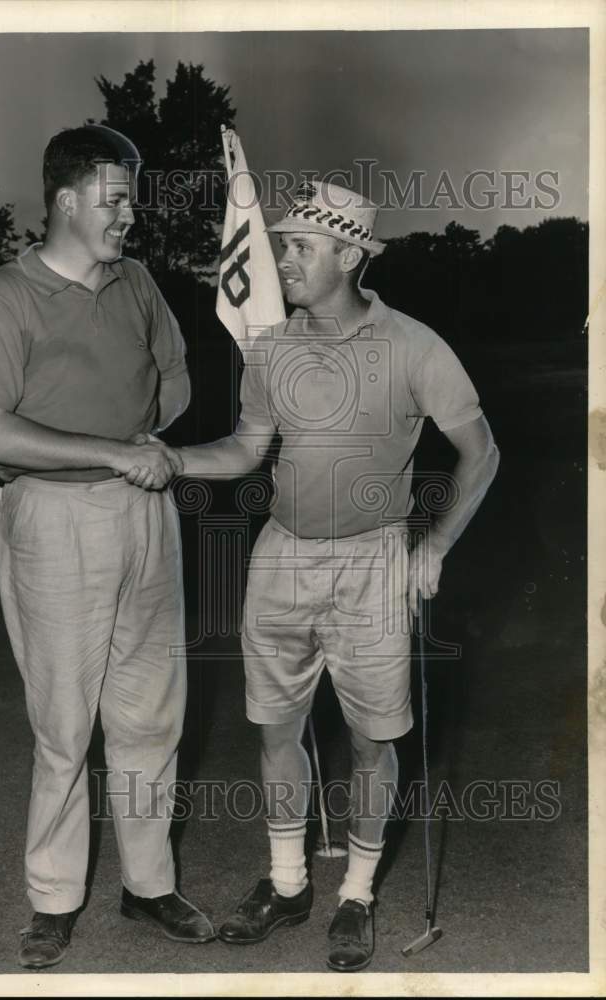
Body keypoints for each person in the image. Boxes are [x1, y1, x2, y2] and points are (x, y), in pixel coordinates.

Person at [174, 180, 500, 971]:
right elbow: (247, 448)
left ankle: (355, 894)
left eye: (301, 247)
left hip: (373, 561)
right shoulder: (273, 348)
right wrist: (173, 460)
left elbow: (481, 452)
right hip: (282, 556)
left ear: (349, 256)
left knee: (371, 739)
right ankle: (288, 884)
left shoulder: (415, 345)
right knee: (275, 729)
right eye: (282, 244)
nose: (283, 259)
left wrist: (435, 545)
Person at [0, 124, 215, 970]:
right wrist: (109, 451)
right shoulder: (2, 295)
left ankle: (149, 884)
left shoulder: (137, 282)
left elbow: (175, 375)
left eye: (131, 200)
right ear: (66, 201)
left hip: (146, 511)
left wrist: (143, 440)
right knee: (65, 723)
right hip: (52, 516)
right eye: (115, 200)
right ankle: (54, 899)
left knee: (150, 713)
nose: (129, 215)